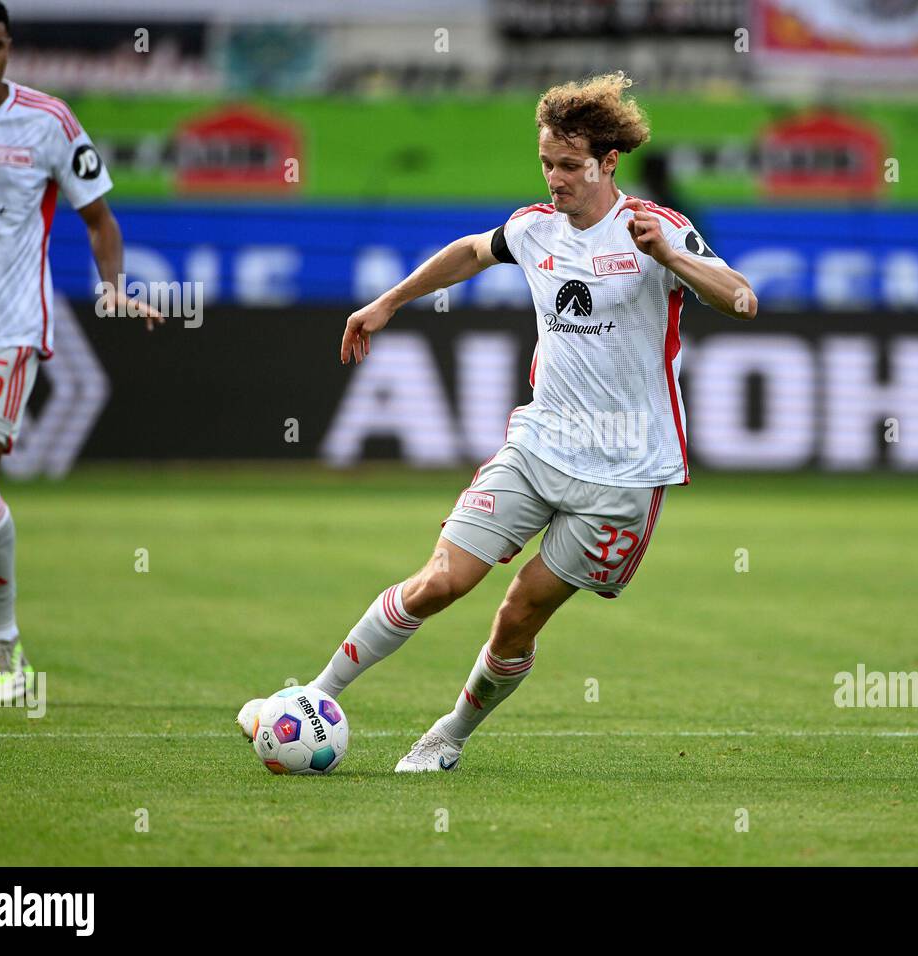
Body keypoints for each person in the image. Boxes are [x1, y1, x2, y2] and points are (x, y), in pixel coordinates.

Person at [238, 71, 758, 769]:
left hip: (625, 471)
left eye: (570, 166)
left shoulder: (656, 231)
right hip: (540, 445)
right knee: (440, 581)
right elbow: (470, 252)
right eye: (547, 163)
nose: (555, 179)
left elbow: (743, 300)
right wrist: (388, 303)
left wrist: (668, 258)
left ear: (608, 163)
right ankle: (311, 696)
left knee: (517, 617)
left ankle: (447, 735)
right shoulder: (535, 228)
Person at [0, 0, 160, 704]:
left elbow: (98, 217)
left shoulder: (48, 122)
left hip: (9, 330)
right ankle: (1, 656)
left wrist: (114, 289)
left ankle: (6, 655)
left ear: (8, 49)